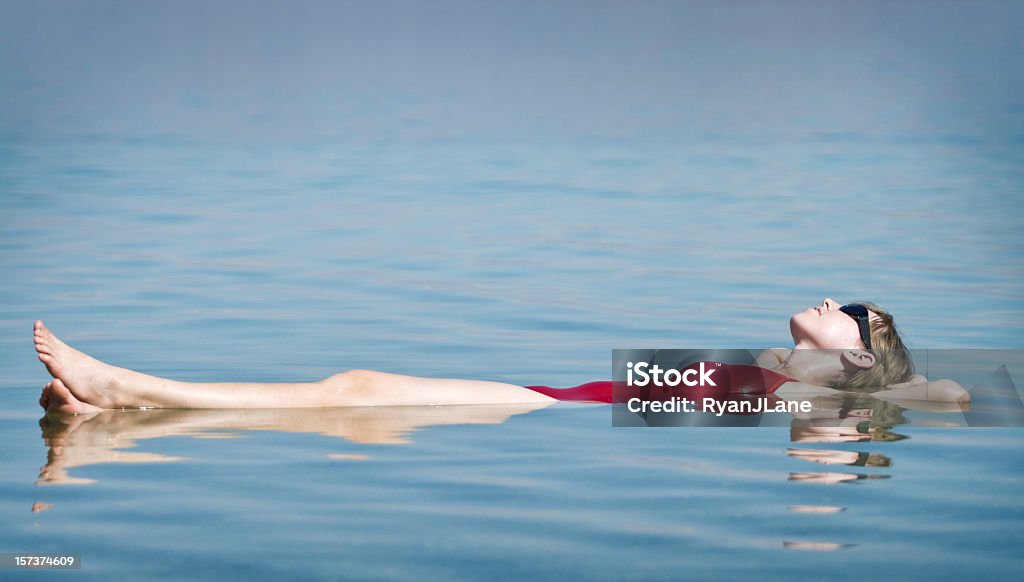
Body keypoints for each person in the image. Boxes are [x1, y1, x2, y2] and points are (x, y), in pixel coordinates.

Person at [33, 298, 970, 414]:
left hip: (553, 410)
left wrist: (886, 388)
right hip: (556, 396)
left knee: (352, 391)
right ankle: (119, 408)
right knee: (352, 398)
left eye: (854, 312)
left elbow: (955, 391)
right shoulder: (783, 375)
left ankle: (126, 386)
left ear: (864, 354)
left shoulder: (826, 402)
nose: (830, 301)